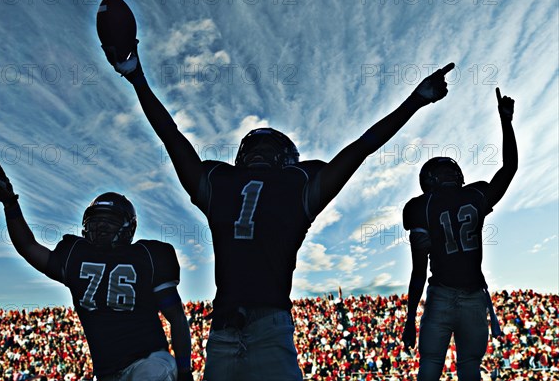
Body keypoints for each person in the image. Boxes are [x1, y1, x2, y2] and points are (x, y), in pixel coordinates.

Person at [103, 29, 454, 378]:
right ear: (287, 160)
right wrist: (415, 101)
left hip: (224, 331)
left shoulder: (219, 182)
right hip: (268, 327)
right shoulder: (299, 184)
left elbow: (171, 136)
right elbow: (362, 146)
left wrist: (136, 76)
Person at [0, 162, 194, 381]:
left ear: (128, 228)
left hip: (148, 361)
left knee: (155, 373)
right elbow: (29, 247)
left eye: (110, 221)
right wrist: (10, 205)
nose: (101, 227)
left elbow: (177, 318)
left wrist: (184, 371)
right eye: (96, 220)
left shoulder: (148, 256)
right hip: (105, 372)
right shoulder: (76, 254)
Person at [401, 87, 518, 381]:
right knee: (468, 367)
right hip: (470, 295)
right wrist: (506, 122)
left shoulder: (421, 207)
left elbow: (418, 271)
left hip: (442, 293)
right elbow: (509, 168)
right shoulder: (474, 195)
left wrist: (409, 319)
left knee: (430, 366)